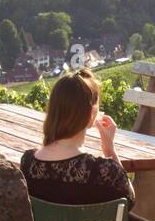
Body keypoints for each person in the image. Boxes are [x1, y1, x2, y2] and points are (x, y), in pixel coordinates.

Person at [20, 68, 135, 209]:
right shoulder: (104, 171)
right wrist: (109, 149)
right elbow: (130, 201)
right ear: (92, 113)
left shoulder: (28, 163)